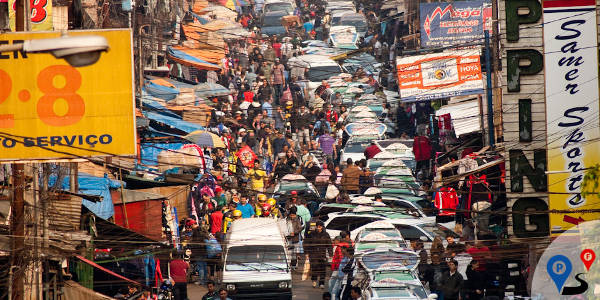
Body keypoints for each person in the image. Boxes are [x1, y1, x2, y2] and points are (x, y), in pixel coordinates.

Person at [305, 220, 333, 288]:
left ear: (322, 227)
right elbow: (307, 244)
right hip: (313, 253)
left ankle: (321, 283)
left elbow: (329, 245)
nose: (318, 228)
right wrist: (306, 253)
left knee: (323, 269)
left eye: (320, 226)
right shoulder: (311, 234)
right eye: (317, 226)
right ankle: (314, 280)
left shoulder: (326, 235)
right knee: (314, 268)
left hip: (322, 254)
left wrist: (330, 254)